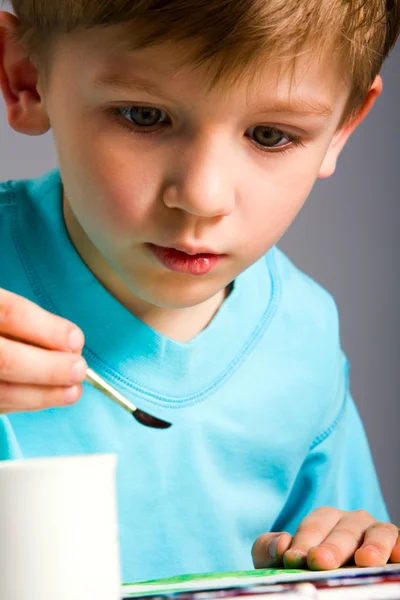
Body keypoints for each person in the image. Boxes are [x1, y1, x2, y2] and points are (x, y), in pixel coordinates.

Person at [0, 0, 399, 585]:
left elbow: (340, 551)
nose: (203, 196)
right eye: (142, 115)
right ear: (27, 78)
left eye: (269, 134)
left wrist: (350, 557)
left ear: (341, 127)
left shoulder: (303, 335)